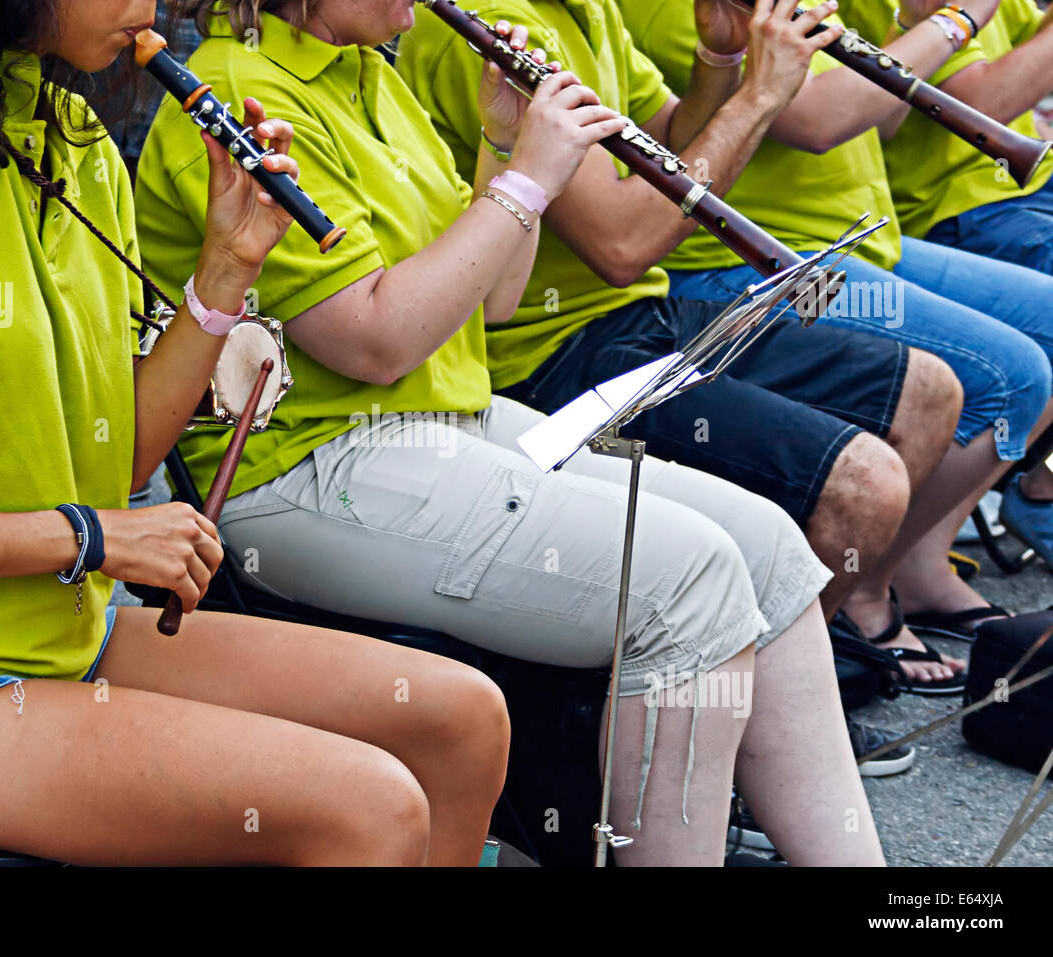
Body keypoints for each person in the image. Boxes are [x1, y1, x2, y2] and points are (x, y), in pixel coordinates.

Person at [0, 0, 513, 866]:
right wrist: (90, 537)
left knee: (460, 719)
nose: (149, 7)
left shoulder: (70, 137)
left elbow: (117, 461)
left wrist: (227, 269)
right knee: (369, 811)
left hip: (67, 631)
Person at [136, 0, 885, 865]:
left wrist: (504, 142)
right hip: (308, 463)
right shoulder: (239, 93)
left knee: (771, 550)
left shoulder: (371, 67)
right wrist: (525, 178)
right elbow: (375, 342)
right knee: (692, 585)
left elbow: (490, 300)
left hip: (446, 415)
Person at [397, 0, 1003, 695]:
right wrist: (763, 93)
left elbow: (665, 138)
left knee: (929, 393)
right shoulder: (492, 30)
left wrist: (719, 60)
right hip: (550, 353)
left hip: (641, 314)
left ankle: (804, 656)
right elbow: (623, 243)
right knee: (864, 484)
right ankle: (760, 716)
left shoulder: (583, 9)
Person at [606, 0, 1053, 662]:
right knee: (1005, 371)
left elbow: (889, 113)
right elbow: (818, 121)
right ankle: (863, 596)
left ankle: (920, 564)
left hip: (857, 239)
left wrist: (910, 24)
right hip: (744, 261)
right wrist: (959, 19)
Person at [841, 0, 1053, 565]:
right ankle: (912, 559)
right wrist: (950, 20)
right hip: (954, 206)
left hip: (1014, 190)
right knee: (1013, 366)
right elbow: (980, 110)